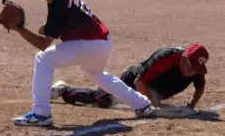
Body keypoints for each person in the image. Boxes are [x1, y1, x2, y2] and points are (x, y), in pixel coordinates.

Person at [10, 0, 155, 126]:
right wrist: (46, 28)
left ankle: (41, 113)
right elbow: (63, 22)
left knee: (43, 58)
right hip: (102, 43)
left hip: (89, 43)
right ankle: (142, 104)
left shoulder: (59, 4)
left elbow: (44, 44)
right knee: (95, 73)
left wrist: (19, 29)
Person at [51, 43, 208, 111]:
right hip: (134, 81)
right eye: (191, 67)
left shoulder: (196, 68)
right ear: (184, 58)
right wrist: (156, 104)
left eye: (197, 69)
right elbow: (139, 82)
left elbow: (199, 87)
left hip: (151, 89)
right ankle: (63, 90)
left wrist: (191, 106)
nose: (193, 72)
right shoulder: (165, 57)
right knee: (102, 99)